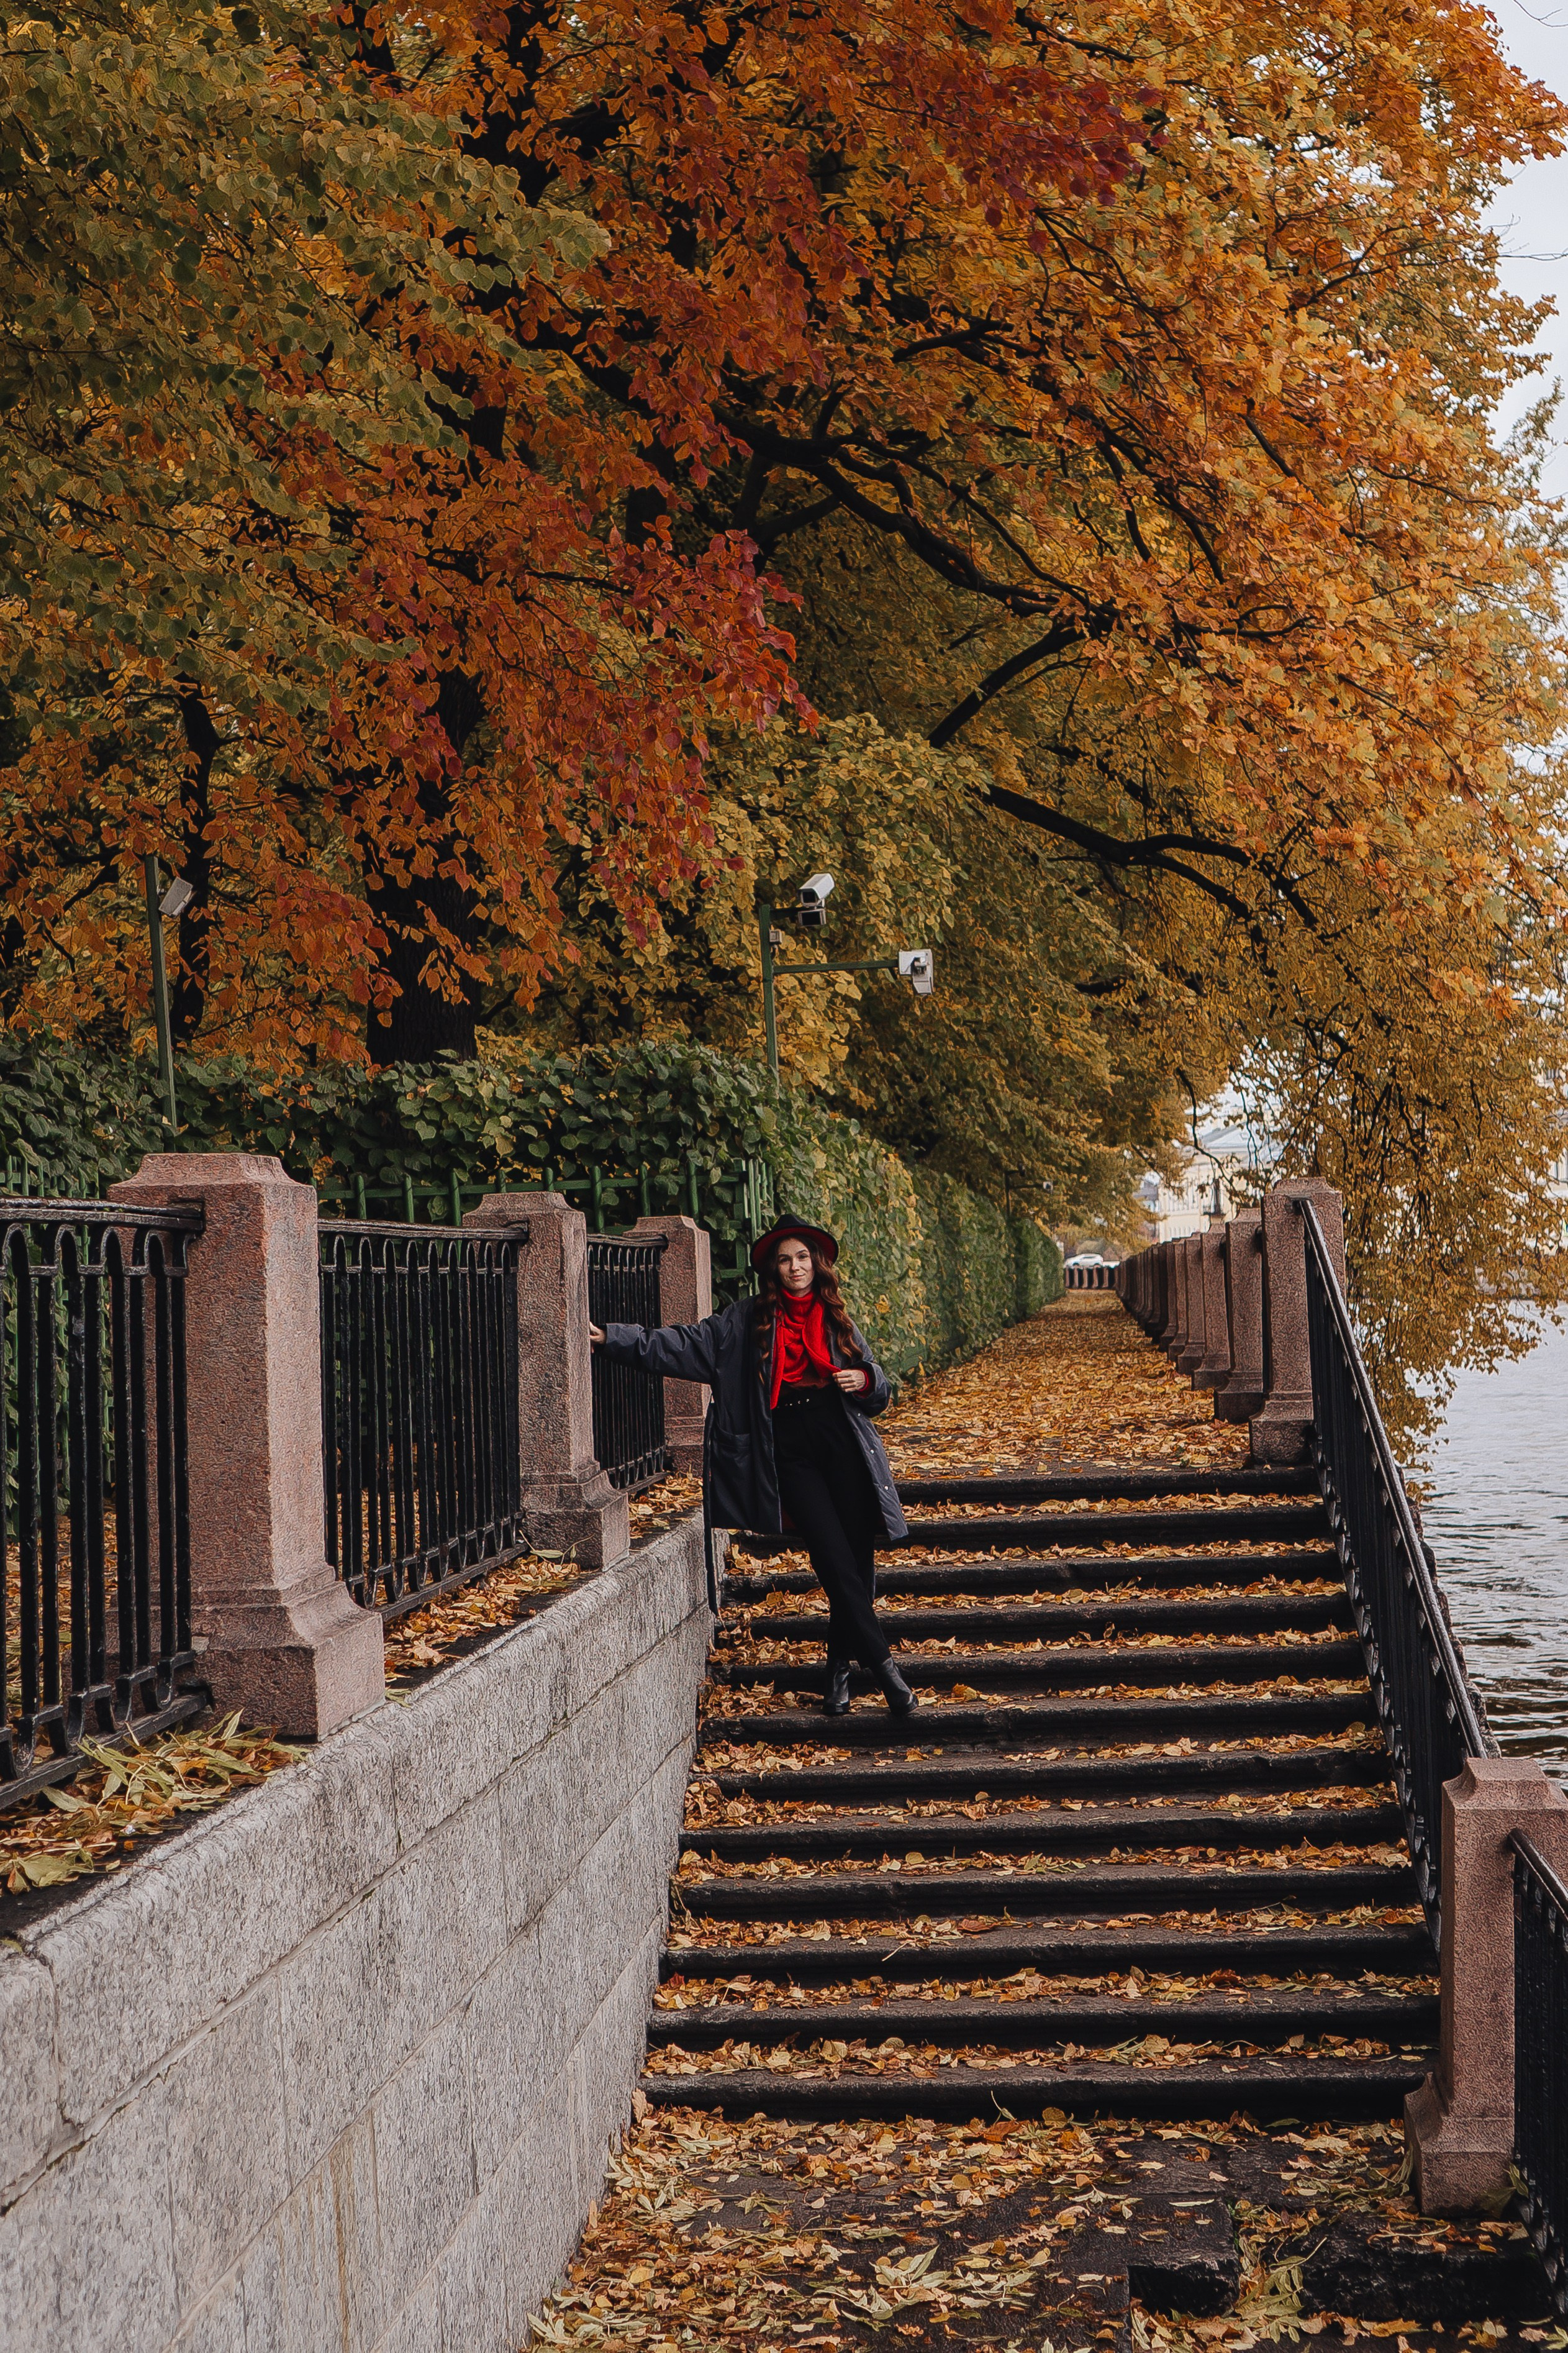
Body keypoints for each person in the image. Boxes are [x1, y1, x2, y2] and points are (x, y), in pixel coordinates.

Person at [590, 1214, 918, 1717]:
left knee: (854, 1562)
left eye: (803, 1257)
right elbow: (680, 1345)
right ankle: (887, 1669)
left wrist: (865, 1379)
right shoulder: (744, 1321)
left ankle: (837, 1672)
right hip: (786, 1448)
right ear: (773, 1268)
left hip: (841, 1442)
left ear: (817, 1263)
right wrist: (612, 1338)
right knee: (831, 1557)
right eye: (785, 1259)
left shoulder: (837, 1318)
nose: (795, 1267)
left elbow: (879, 1392)